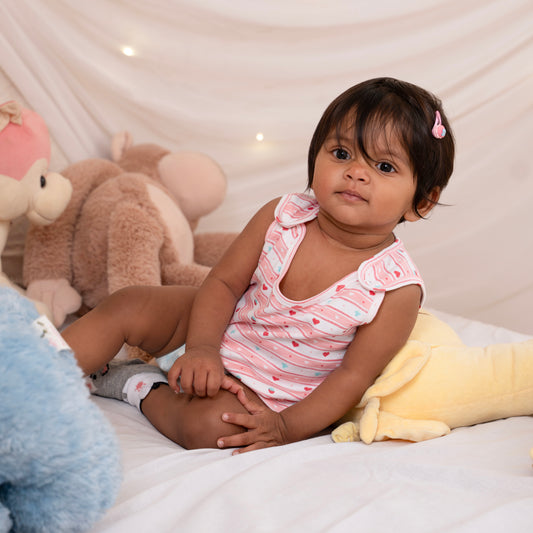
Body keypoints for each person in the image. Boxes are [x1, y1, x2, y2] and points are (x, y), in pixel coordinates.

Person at [62, 77, 455, 454]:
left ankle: (137, 383)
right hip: (215, 324)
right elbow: (224, 284)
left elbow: (353, 377)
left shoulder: (394, 288)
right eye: (341, 154)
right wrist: (201, 348)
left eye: (384, 167)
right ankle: (44, 368)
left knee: (213, 427)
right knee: (132, 302)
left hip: (266, 387)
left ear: (421, 202)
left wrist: (284, 427)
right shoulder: (283, 216)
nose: (356, 172)